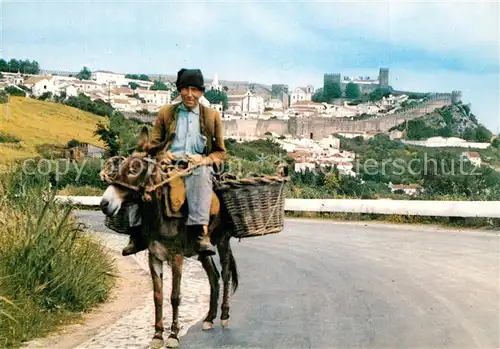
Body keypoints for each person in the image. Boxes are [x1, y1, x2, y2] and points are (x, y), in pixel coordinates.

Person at [122, 68, 226, 256]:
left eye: (195, 90)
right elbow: (153, 144)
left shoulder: (211, 116)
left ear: (201, 92)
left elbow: (220, 152)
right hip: (167, 165)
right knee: (140, 176)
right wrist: (163, 154)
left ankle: (200, 233)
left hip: (196, 166)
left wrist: (204, 159)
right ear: (179, 90)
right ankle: (136, 233)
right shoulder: (166, 113)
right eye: (185, 89)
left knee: (201, 175)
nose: (190, 94)